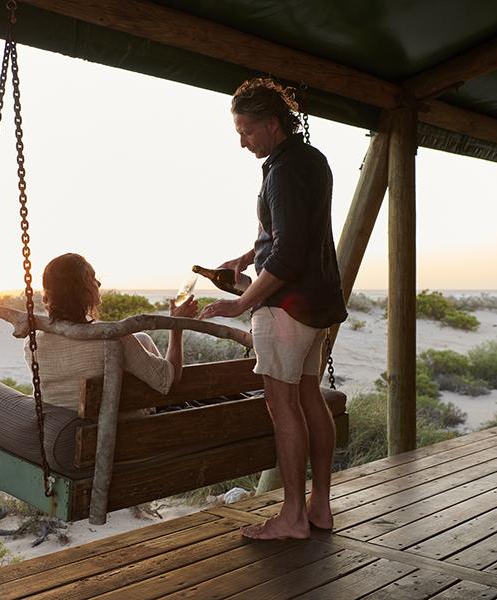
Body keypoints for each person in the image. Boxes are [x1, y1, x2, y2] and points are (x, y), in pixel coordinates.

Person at [199, 77, 347, 540]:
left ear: (271, 122)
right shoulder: (311, 160)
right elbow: (291, 231)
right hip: (318, 305)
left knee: (282, 406)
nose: (242, 141)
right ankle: (318, 507)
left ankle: (291, 517)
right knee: (309, 399)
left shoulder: (282, 171)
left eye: (245, 131)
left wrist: (243, 300)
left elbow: (287, 255)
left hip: (285, 308)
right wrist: (246, 259)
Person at [28, 252, 197, 412]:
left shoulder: (33, 344)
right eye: (93, 279)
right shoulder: (113, 338)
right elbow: (170, 381)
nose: (99, 284)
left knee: (142, 339)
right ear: (83, 290)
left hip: (68, 429)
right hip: (123, 432)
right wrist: (177, 327)